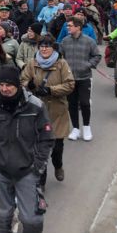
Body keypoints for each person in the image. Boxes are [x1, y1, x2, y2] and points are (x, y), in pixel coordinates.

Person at [0, 66, 54, 233]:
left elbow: (46, 137)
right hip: (0, 172)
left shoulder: (35, 106)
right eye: (1, 85)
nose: (4, 89)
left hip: (27, 171)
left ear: (18, 85)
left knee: (32, 220)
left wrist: (38, 165)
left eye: (9, 85)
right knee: (0, 222)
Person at [20, 36, 74, 186]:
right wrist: (29, 85)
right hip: (37, 111)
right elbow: (22, 80)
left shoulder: (61, 64)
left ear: (53, 48)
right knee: (39, 148)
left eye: (47, 46)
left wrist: (51, 90)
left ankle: (58, 165)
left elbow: (70, 84)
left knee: (56, 147)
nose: (44, 49)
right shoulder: (32, 63)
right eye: (42, 46)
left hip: (57, 111)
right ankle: (40, 182)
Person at [59, 18, 102, 142]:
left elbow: (97, 56)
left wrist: (88, 65)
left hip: (84, 78)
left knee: (84, 103)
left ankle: (87, 127)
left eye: (70, 26)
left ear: (78, 27)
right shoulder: (65, 41)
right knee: (71, 104)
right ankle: (76, 129)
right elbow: (60, 56)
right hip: (69, 79)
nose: (68, 28)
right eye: (68, 26)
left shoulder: (89, 41)